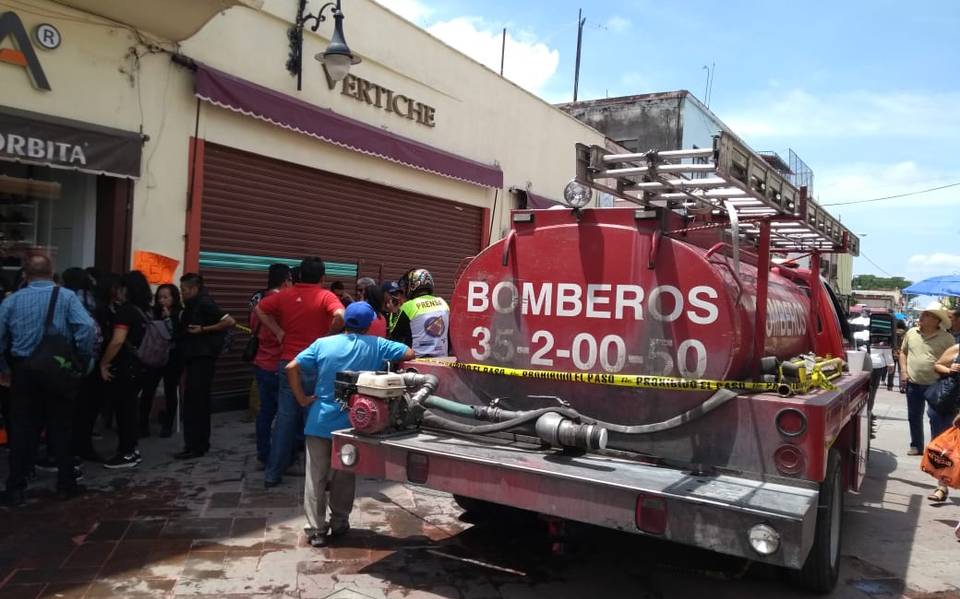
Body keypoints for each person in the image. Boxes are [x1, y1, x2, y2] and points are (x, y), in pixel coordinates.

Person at [285, 301, 414, 547]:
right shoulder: (377, 344)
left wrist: (302, 398)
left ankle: (316, 530)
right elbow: (409, 353)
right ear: (368, 325)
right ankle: (340, 522)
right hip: (355, 421)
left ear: (345, 321)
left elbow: (292, 366)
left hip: (320, 419)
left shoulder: (323, 344)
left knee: (315, 477)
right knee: (345, 474)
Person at [0, 256, 95, 504]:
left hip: (23, 370)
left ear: (25, 275)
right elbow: (85, 327)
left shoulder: (12, 300)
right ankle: (66, 483)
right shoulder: (66, 297)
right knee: (61, 427)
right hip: (57, 369)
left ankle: (16, 487)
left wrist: (4, 369)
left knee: (22, 430)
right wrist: (83, 359)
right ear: (53, 273)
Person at [255, 257, 344, 487]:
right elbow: (341, 316)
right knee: (316, 421)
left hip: (288, 365)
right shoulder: (326, 296)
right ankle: (320, 478)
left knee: (284, 420)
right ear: (322, 278)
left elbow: (259, 309)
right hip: (315, 367)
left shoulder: (284, 295)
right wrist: (327, 336)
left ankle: (272, 474)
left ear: (299, 275)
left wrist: (278, 331)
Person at [176, 273, 236, 459]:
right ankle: (195, 443)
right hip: (194, 357)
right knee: (195, 402)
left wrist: (203, 330)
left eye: (184, 290)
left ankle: (197, 444)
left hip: (202, 359)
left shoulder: (204, 303)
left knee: (197, 402)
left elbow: (229, 321)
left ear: (194, 289)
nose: (182, 294)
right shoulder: (193, 305)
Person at [100, 270, 153, 469]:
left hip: (126, 367)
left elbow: (117, 341)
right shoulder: (145, 310)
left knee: (124, 410)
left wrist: (103, 363)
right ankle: (132, 449)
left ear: (126, 289)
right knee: (130, 408)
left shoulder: (126, 311)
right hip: (141, 366)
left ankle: (127, 452)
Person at [898, 302, 955, 456]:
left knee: (935, 419)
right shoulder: (911, 332)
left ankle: (935, 450)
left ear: (937, 320)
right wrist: (903, 371)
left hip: (936, 384)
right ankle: (916, 445)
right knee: (914, 416)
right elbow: (903, 353)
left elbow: (951, 360)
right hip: (913, 383)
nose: (922, 316)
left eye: (927, 314)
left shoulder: (947, 338)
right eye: (923, 313)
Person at [250, 264, 292, 468]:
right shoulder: (282, 303)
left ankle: (263, 454)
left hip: (261, 363)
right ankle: (281, 459)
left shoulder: (259, 301)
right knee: (286, 414)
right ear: (286, 281)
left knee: (265, 412)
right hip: (279, 363)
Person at [138, 284, 184, 438]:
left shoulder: (180, 314)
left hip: (172, 358)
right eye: (159, 297)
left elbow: (176, 335)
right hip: (155, 356)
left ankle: (167, 426)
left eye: (166, 297)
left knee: (170, 391)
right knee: (148, 390)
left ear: (174, 297)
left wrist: (168, 319)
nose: (162, 300)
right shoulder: (153, 313)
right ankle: (143, 425)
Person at [390, 269, 450, 357]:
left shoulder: (408, 306)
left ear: (413, 285)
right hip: (442, 359)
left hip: (416, 361)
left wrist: (393, 311)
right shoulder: (443, 303)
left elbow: (394, 332)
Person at [928, 343, 960, 502]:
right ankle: (941, 486)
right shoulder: (957, 348)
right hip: (948, 405)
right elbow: (937, 366)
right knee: (943, 450)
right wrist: (950, 369)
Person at [889, 319, 908, 392]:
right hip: (901, 353)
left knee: (891, 369)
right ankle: (902, 386)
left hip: (893, 352)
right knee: (901, 370)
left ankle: (890, 386)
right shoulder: (905, 334)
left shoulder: (893, 333)